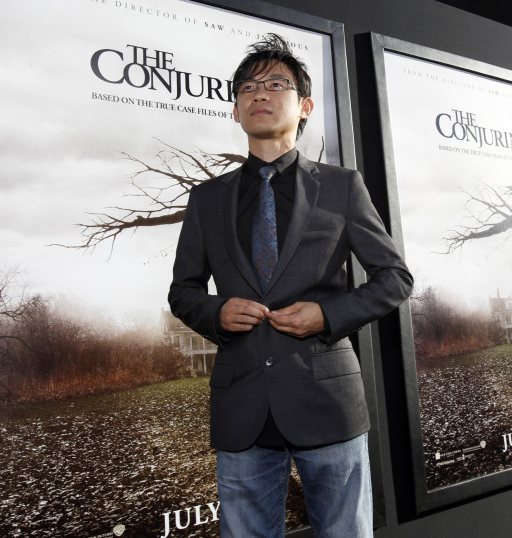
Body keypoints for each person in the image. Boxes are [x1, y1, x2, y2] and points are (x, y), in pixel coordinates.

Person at [168, 34, 413, 537]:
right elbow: (183, 291)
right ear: (236, 110)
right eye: (248, 87)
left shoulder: (343, 187)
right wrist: (215, 314)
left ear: (303, 106)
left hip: (328, 401)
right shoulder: (206, 200)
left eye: (275, 84)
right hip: (242, 409)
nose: (259, 93)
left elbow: (395, 279)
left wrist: (328, 316)